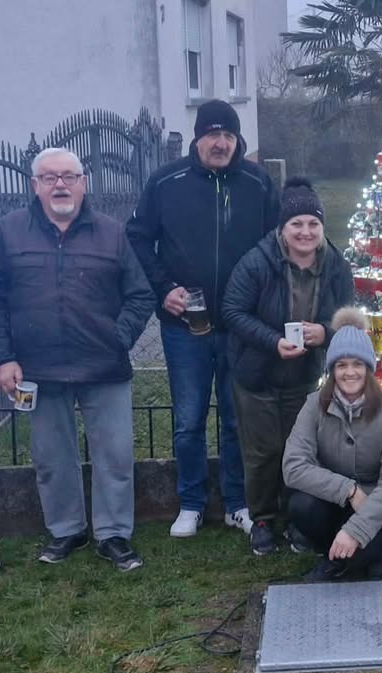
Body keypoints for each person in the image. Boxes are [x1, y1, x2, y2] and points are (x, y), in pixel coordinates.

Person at [0, 148, 155, 572]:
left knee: (114, 455)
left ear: (83, 183)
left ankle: (113, 534)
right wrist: (3, 358)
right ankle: (66, 529)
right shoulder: (10, 232)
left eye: (69, 176)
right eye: (49, 177)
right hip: (38, 368)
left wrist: (118, 338)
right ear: (34, 185)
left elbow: (140, 294)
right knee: (51, 456)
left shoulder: (112, 233)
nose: (60, 185)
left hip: (104, 366)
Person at [127, 99, 280, 538]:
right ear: (198, 138)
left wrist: (262, 299)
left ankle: (237, 502)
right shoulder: (166, 182)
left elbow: (277, 244)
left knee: (236, 418)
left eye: (228, 135)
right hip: (184, 326)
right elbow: (137, 237)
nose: (221, 143)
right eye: (213, 134)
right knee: (188, 420)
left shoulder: (257, 183)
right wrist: (164, 289)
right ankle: (191, 503)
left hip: (241, 325)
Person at [223, 177, 354, 556]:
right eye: (296, 223)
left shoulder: (335, 266)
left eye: (313, 223)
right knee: (263, 452)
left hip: (304, 376)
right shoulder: (258, 262)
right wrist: (272, 341)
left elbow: (348, 317)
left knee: (302, 451)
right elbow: (233, 311)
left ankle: (300, 520)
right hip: (257, 374)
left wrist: (325, 332)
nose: (305, 232)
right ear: (283, 228)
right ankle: (263, 520)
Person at [282, 308, 382, 581]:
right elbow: (293, 466)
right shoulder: (314, 404)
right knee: (301, 506)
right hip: (336, 496)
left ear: (368, 368)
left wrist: (355, 530)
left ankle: (367, 554)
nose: (350, 372)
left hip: (380, 502)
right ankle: (334, 551)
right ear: (332, 370)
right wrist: (348, 490)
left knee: (361, 548)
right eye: (341, 365)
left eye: (357, 364)